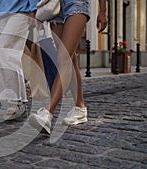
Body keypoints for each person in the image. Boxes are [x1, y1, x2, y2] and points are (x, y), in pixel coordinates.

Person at [29, 0, 108, 133]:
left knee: (63, 58)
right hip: (56, 6)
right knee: (69, 59)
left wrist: (103, 11)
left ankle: (48, 113)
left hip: (77, 4)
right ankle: (80, 107)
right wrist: (37, 11)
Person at [0, 0, 37, 120]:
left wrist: (33, 9)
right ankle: (20, 101)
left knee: (1, 53)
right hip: (1, 14)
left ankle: (14, 101)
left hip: (21, 10)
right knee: (11, 57)